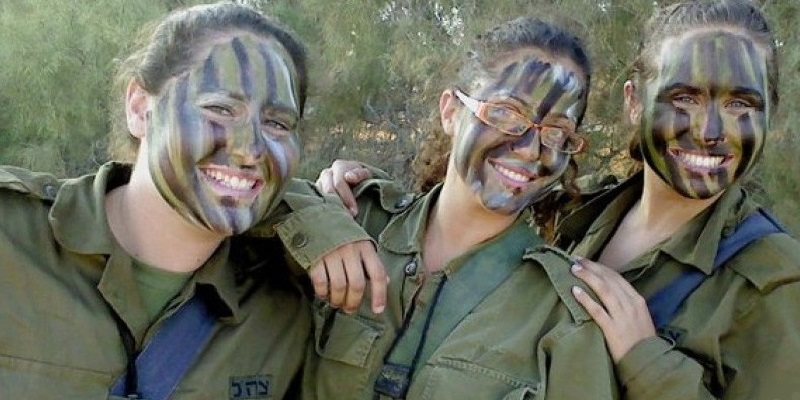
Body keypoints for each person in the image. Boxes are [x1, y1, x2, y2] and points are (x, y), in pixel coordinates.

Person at [0, 3, 381, 399]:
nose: (250, 150)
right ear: (140, 108)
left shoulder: (292, 295)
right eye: (220, 109)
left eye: (277, 124)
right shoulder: (12, 236)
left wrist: (318, 212)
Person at [304, 16, 618, 400]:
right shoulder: (355, 221)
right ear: (451, 111)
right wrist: (312, 211)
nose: (530, 149)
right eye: (506, 113)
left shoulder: (563, 313)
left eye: (556, 131)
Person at [558, 0, 800, 398]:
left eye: (740, 104)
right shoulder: (575, 216)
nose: (710, 132)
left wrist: (646, 361)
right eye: (685, 98)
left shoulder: (776, 282)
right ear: (634, 102)